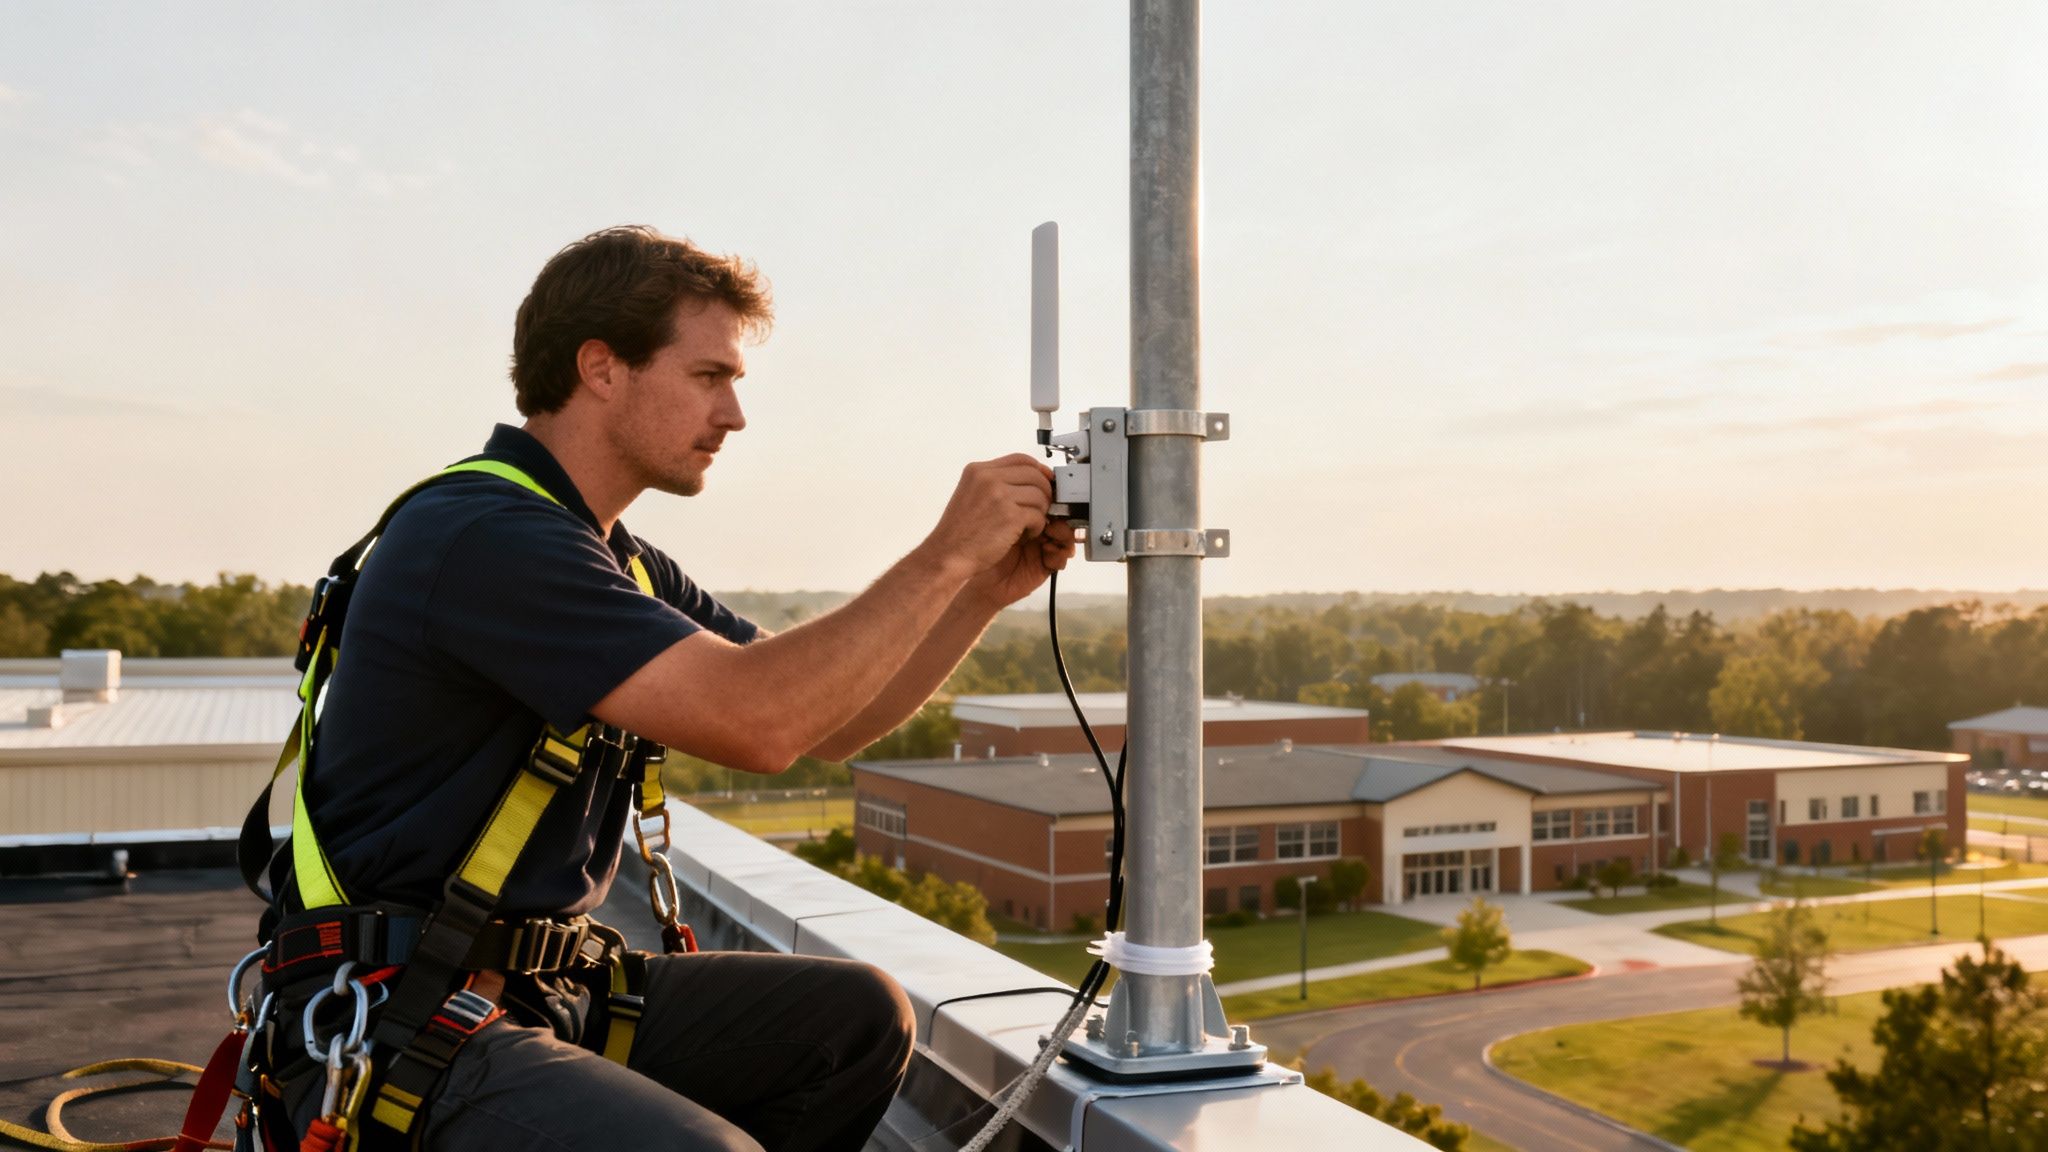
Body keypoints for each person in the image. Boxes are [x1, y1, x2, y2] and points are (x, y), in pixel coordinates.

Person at [268, 225, 1075, 1152]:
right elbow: (759, 722)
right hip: (400, 1018)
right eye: (709, 377)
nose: (734, 415)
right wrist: (942, 555)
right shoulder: (485, 535)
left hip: (540, 990)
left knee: (855, 1019)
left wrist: (976, 593)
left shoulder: (617, 559)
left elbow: (831, 724)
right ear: (602, 368)